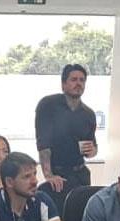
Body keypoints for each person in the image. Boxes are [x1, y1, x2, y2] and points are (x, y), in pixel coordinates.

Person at [34, 63, 98, 192]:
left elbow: (93, 147)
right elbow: (43, 144)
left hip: (81, 174)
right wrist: (49, 175)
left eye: (82, 80)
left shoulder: (88, 114)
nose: (78, 83)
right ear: (63, 85)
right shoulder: (48, 105)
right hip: (58, 175)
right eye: (73, 79)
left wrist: (92, 151)